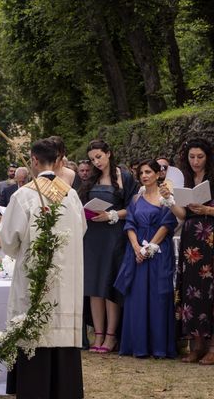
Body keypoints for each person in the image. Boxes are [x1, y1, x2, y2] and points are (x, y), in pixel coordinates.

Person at [0, 138, 86, 399]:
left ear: (34, 160)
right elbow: (81, 230)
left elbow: (8, 239)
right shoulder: (70, 194)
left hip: (35, 277)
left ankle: (34, 388)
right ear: (58, 161)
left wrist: (21, 252)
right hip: (67, 281)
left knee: (36, 328)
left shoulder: (24, 194)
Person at [114, 160, 177, 358]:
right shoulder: (135, 198)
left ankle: (159, 347)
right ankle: (137, 345)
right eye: (141, 172)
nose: (144, 175)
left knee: (158, 297)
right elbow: (130, 223)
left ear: (158, 174)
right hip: (136, 253)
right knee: (137, 296)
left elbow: (168, 224)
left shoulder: (166, 197)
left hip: (158, 251)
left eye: (148, 172)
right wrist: (136, 248)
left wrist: (150, 247)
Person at [79, 139, 137, 354]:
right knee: (94, 287)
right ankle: (99, 334)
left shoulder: (125, 177)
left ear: (109, 154)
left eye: (99, 157)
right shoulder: (90, 179)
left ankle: (111, 336)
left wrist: (112, 214)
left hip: (114, 236)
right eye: (93, 159)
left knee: (110, 284)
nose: (96, 162)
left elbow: (134, 207)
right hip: (92, 237)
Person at [160, 138, 214, 364]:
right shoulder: (186, 179)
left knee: (210, 292)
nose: (195, 161)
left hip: (210, 238)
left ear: (208, 157)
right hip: (191, 240)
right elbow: (182, 215)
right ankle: (196, 345)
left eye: (200, 157)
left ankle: (212, 348)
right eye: (192, 157)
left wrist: (207, 209)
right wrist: (169, 200)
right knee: (192, 291)